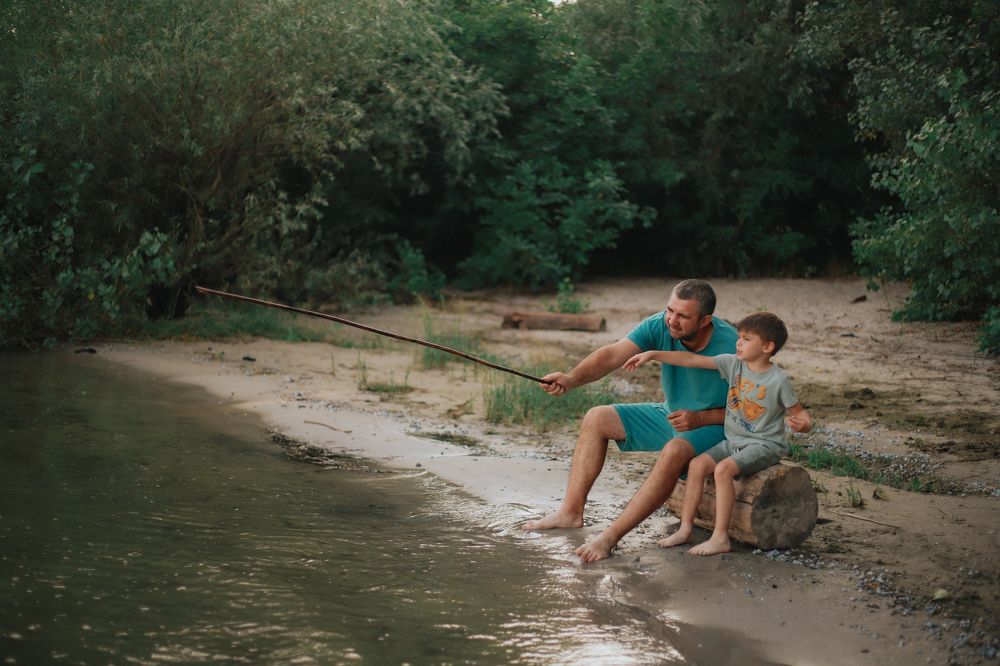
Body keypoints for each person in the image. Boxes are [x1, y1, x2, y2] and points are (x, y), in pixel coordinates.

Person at [522, 279, 738, 563]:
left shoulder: (733, 345)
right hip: (672, 415)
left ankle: (610, 537)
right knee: (597, 417)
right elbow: (612, 354)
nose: (672, 320)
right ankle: (570, 512)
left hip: (716, 427)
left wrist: (702, 417)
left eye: (683, 316)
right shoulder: (659, 324)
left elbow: (756, 411)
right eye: (669, 310)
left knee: (673, 451)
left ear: (706, 320)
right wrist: (571, 379)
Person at [623, 311, 812, 555]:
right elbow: (690, 360)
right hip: (735, 441)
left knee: (723, 470)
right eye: (739, 337)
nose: (738, 342)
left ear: (767, 346)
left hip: (764, 444)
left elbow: (801, 414)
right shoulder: (733, 363)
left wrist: (802, 424)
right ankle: (685, 528)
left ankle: (720, 537)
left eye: (745, 339)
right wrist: (653, 354)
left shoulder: (778, 381)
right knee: (697, 465)